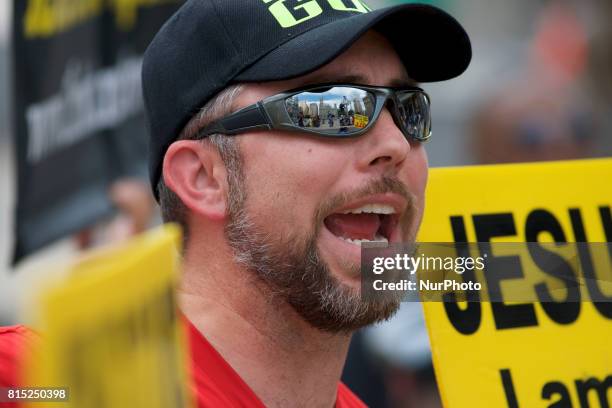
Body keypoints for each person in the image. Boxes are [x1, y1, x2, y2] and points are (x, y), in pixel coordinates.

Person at [0, 1, 471, 406]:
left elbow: (533, 272)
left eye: (409, 108)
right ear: (203, 177)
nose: (395, 142)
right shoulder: (36, 379)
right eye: (333, 107)